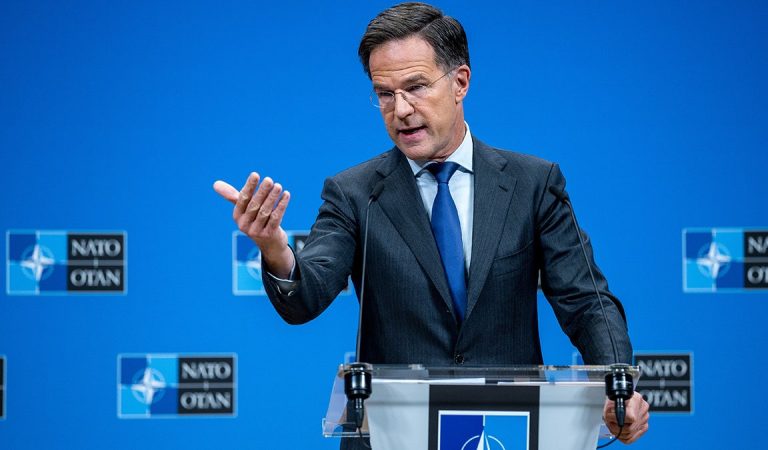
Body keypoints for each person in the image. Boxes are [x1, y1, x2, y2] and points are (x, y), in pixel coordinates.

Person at [215, 2, 648, 444]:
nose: (400, 109)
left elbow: (586, 301)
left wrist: (619, 385)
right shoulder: (355, 193)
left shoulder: (533, 184)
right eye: (384, 93)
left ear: (460, 82)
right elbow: (307, 295)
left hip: (506, 430)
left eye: (416, 87)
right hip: (393, 438)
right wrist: (275, 248)